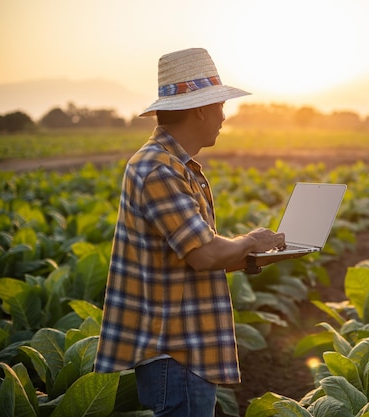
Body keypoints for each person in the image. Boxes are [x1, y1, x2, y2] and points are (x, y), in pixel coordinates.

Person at [95, 48, 300, 417]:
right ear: (201, 109)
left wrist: (250, 256)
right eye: (220, 105)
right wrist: (250, 242)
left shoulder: (176, 165)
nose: (225, 115)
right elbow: (203, 254)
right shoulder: (159, 168)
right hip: (176, 351)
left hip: (184, 349)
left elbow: (183, 260)